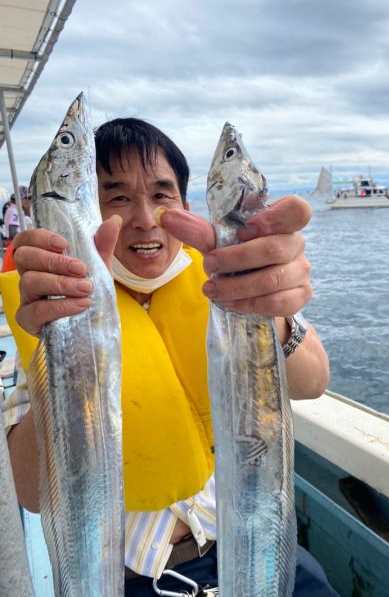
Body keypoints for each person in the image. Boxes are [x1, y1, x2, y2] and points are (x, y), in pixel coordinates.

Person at [4, 119, 336, 596]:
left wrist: (273, 309)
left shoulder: (225, 283)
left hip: (252, 551)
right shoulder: (51, 307)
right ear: (86, 211)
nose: (144, 218)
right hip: (136, 580)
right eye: (116, 197)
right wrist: (64, 356)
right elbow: (29, 492)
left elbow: (314, 381)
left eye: (162, 195)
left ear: (184, 204)